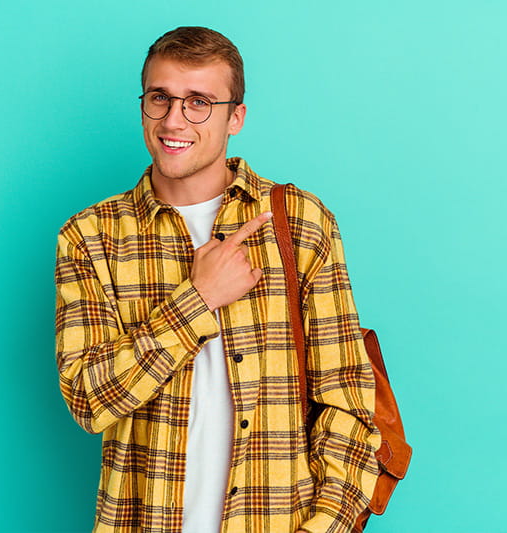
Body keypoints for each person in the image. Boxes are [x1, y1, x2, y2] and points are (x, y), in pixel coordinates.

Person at [55, 26, 380, 533]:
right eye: (160, 98)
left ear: (236, 118)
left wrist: (325, 528)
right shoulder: (91, 237)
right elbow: (88, 399)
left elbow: (348, 403)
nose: (174, 119)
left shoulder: (300, 223)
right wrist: (198, 299)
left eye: (199, 102)